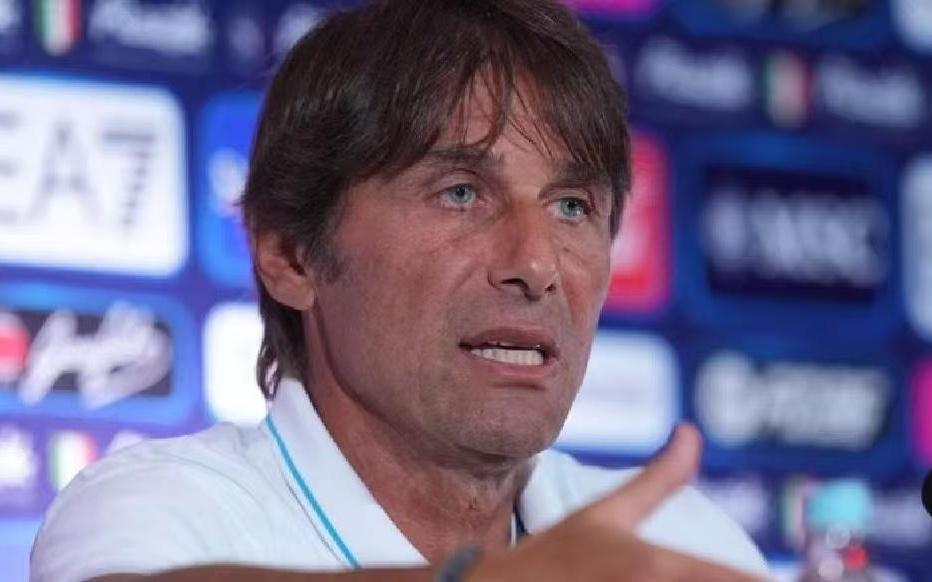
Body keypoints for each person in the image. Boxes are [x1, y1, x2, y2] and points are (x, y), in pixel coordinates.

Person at [30, 1, 771, 580]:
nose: (535, 263)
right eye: (460, 193)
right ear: (290, 254)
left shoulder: (679, 543)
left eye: (572, 206)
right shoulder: (156, 509)